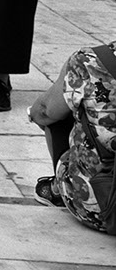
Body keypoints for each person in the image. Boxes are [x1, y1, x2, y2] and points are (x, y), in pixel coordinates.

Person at [28, 41, 116, 232]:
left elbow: (43, 112)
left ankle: (57, 190)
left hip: (101, 208)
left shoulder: (90, 62)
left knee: (58, 110)